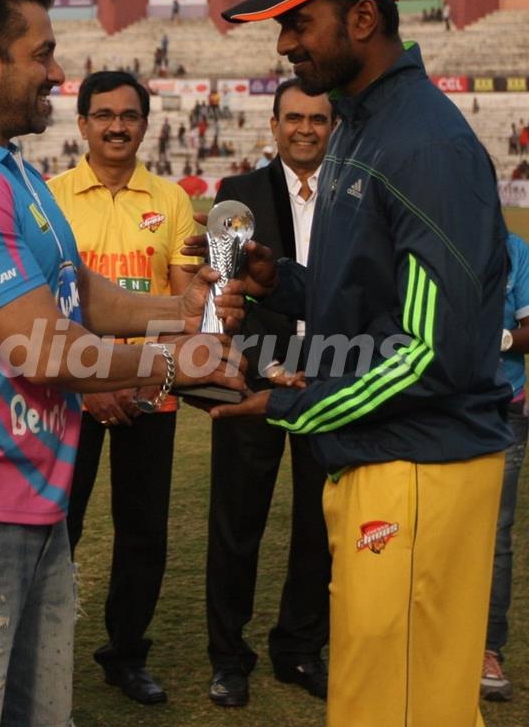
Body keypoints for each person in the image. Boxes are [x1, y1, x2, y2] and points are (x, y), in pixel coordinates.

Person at [0, 0, 246, 727]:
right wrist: (173, 363)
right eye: (41, 54)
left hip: (30, 505)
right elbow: (42, 348)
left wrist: (183, 307)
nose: (55, 72)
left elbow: (83, 295)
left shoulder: (15, 173)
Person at [210, 0, 512, 727]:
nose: (283, 44)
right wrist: (288, 282)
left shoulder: (423, 143)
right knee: (386, 695)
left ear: (365, 20)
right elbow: (375, 294)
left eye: (299, 21)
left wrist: (288, 407)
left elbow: (427, 351)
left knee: (399, 706)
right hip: (385, 460)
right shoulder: (363, 125)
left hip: (420, 464)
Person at [49, 71, 199, 705]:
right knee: (59, 529)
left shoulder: (172, 201)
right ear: (80, 123)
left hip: (149, 395)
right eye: (104, 114)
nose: (117, 125)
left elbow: (190, 306)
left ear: (146, 123)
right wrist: (87, 385)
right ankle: (44, 649)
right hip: (68, 397)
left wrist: (144, 378)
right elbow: (43, 305)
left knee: (144, 531)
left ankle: (126, 654)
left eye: (130, 115)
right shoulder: (48, 196)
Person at [205, 78, 333, 708]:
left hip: (336, 377)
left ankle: (300, 649)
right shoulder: (237, 195)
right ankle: (229, 659)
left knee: (320, 524)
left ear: (332, 125)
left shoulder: (353, 193)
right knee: (237, 524)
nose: (305, 128)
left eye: (317, 118)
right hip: (258, 376)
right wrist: (267, 366)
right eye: (294, 117)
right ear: (274, 123)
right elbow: (225, 299)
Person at [480, 231, 529, 702]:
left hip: (502, 409)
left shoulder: (515, 250)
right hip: (433, 406)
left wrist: (500, 336)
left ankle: (487, 648)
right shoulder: (418, 235)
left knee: (495, 534)